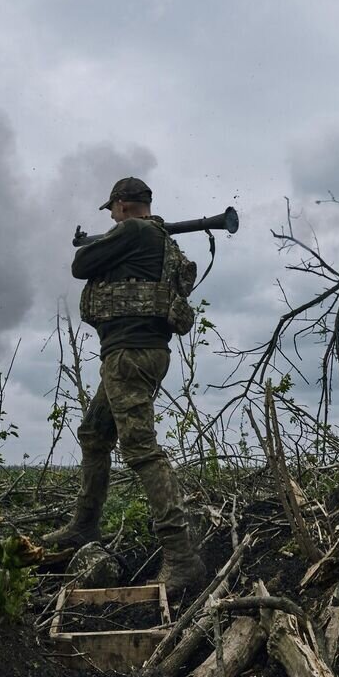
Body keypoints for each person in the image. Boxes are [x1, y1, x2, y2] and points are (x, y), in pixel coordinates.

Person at [44, 177, 207, 597]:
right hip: (138, 353)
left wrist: (105, 240)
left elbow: (81, 265)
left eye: (112, 209)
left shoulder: (133, 231)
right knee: (96, 435)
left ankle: (183, 557)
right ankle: (84, 527)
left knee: (140, 449)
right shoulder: (160, 240)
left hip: (129, 355)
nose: (112, 216)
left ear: (120, 205)